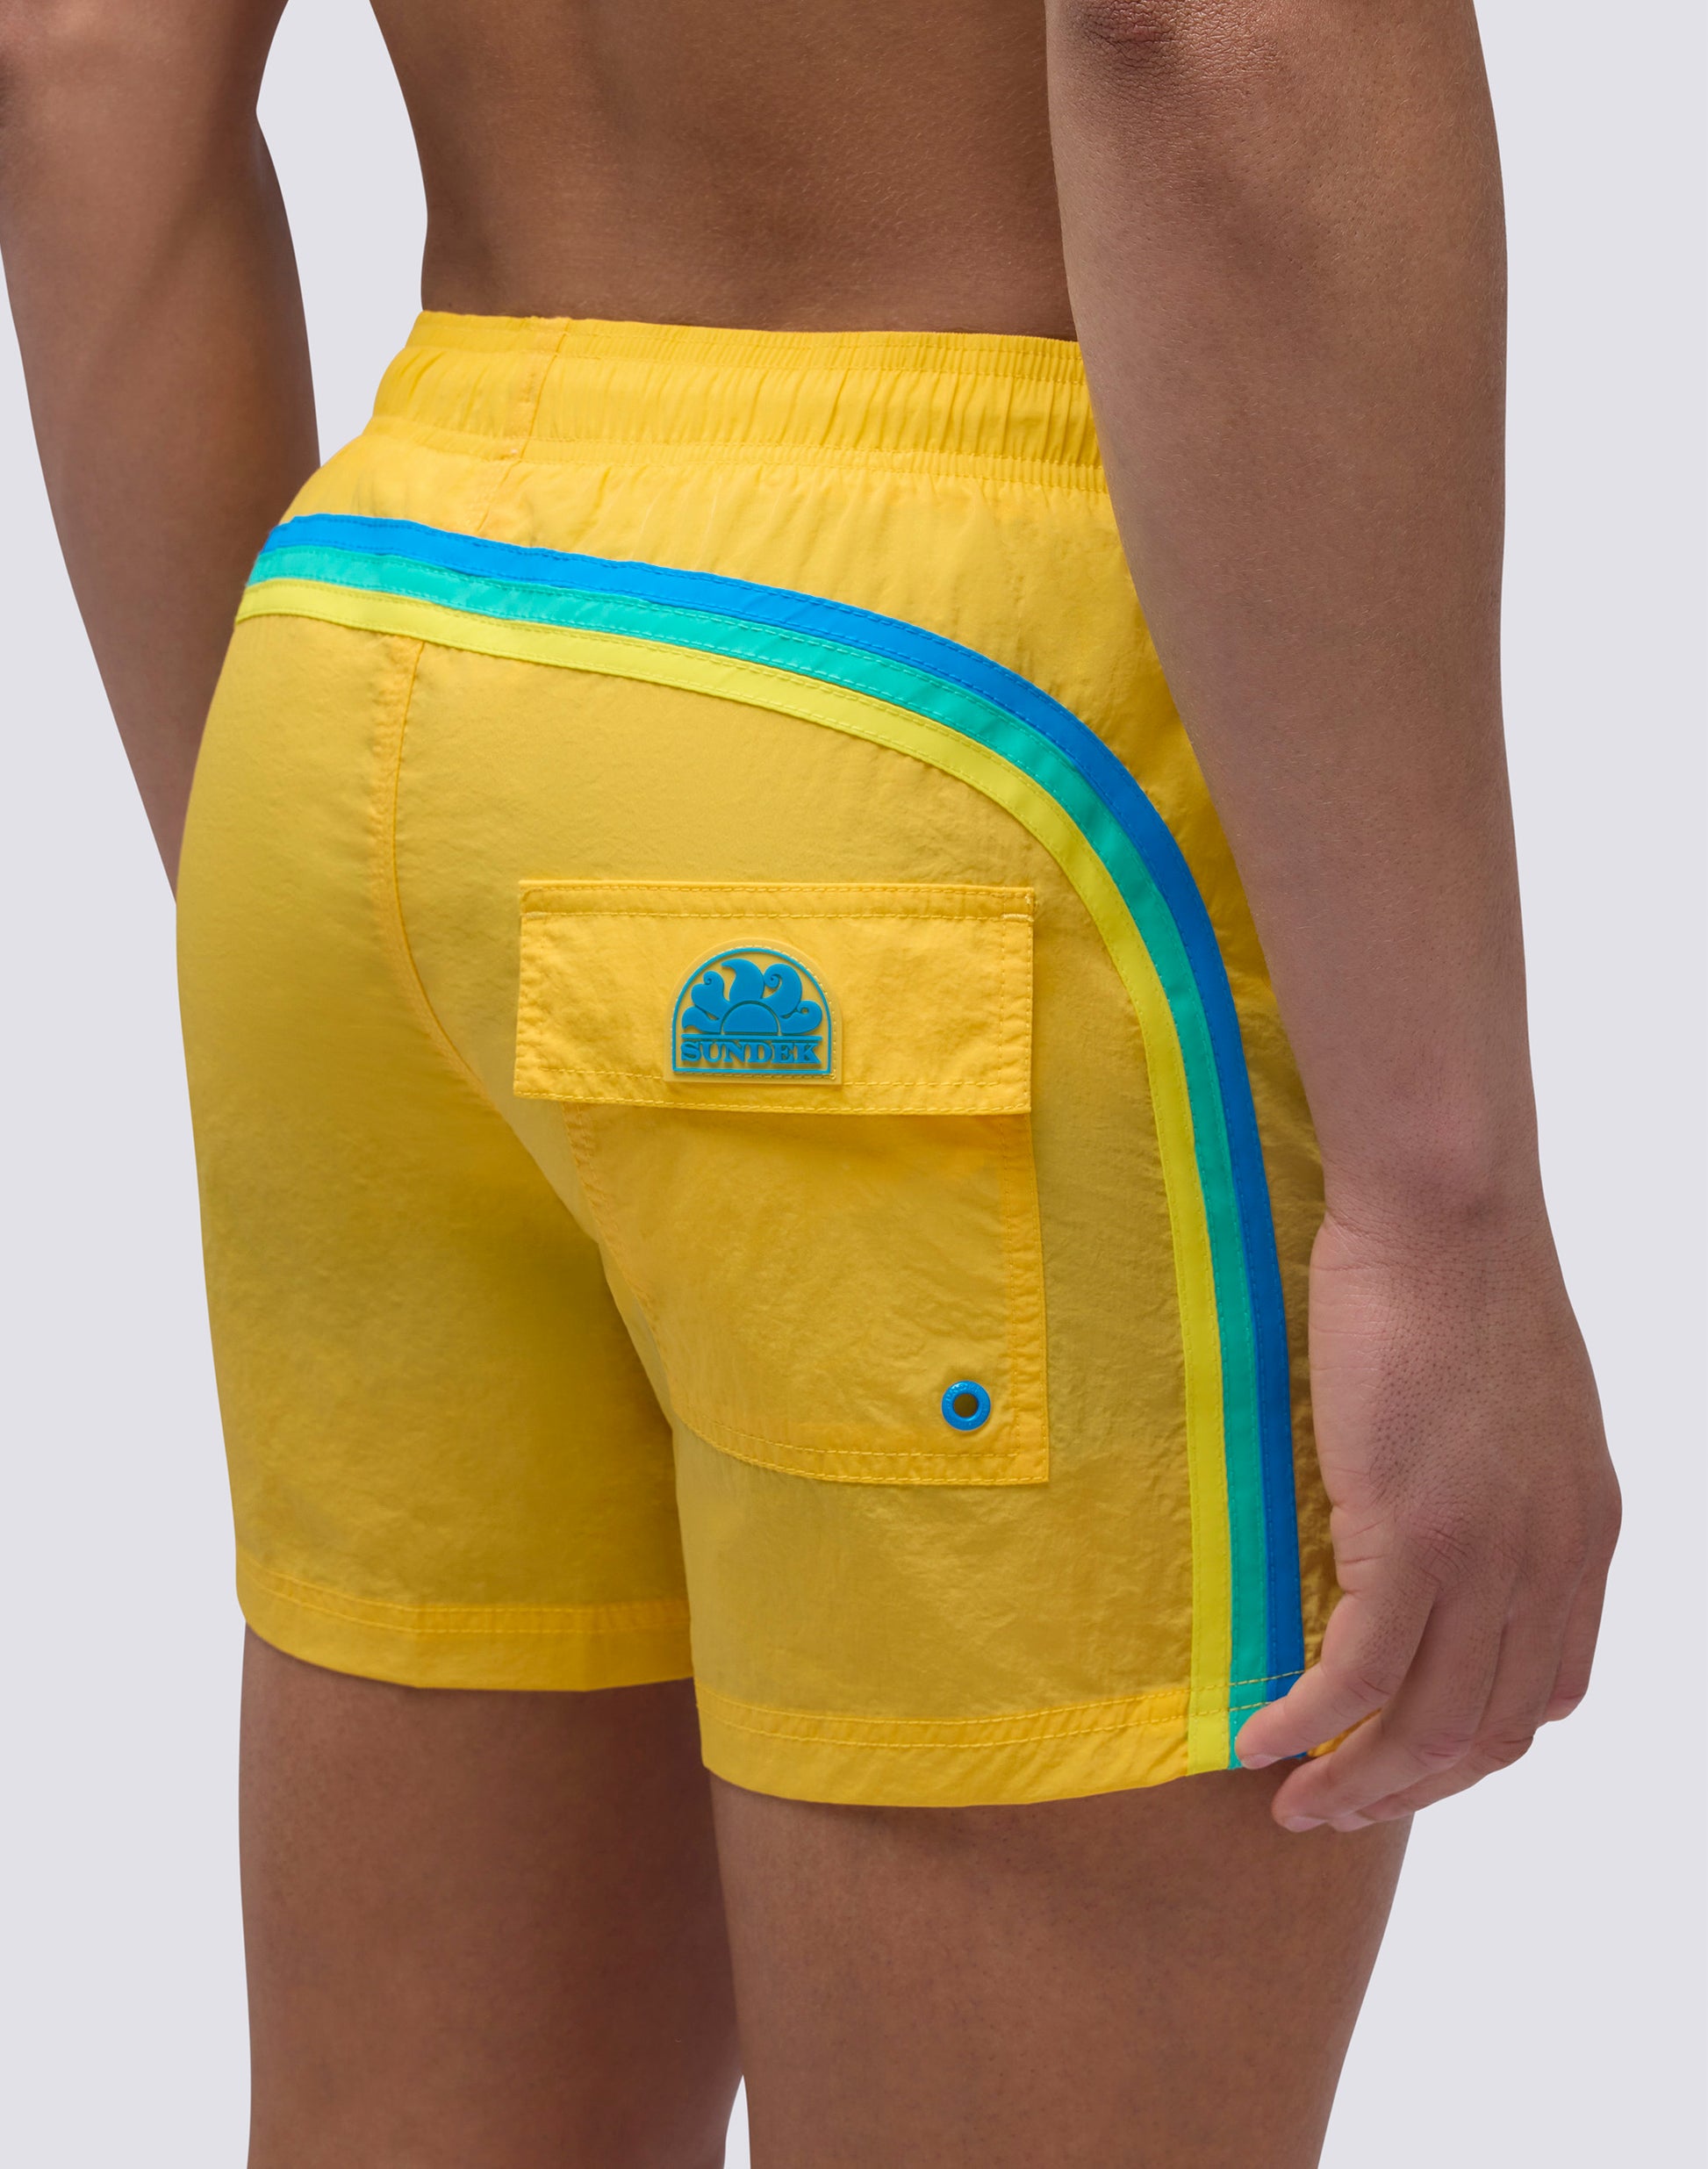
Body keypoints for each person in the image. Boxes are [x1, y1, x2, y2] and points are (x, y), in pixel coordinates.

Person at [0, 1, 1620, 2161]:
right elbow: (1206, 32)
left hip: (380, 644)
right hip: (949, 720)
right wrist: (1439, 1199)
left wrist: (289, 877)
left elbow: (80, 52)